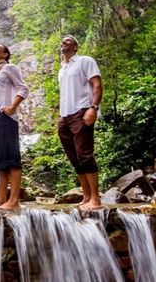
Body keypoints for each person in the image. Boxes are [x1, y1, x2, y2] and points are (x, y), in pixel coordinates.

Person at [57, 35, 103, 210]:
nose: (64, 42)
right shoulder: (62, 69)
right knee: (74, 157)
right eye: (63, 41)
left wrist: (93, 108)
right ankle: (86, 196)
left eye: (69, 41)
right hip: (65, 116)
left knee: (84, 154)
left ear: (76, 47)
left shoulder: (85, 61)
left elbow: (97, 84)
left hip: (82, 111)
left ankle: (95, 199)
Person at [0, 43, 28, 210]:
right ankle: (1, 198)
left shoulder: (9, 68)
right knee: (0, 161)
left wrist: (12, 107)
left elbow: (23, 88)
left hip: (5, 116)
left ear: (5, 54)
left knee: (11, 159)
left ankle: (14, 200)